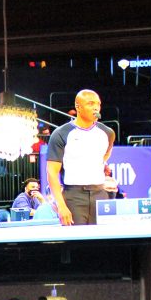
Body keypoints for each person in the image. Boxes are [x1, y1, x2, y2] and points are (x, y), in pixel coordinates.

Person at [45, 89, 115, 225]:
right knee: (75, 242)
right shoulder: (61, 133)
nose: (95, 107)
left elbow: (105, 155)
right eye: (90, 103)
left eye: (98, 104)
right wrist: (61, 206)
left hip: (100, 194)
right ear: (78, 106)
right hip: (73, 195)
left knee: (104, 241)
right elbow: (51, 172)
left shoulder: (108, 132)